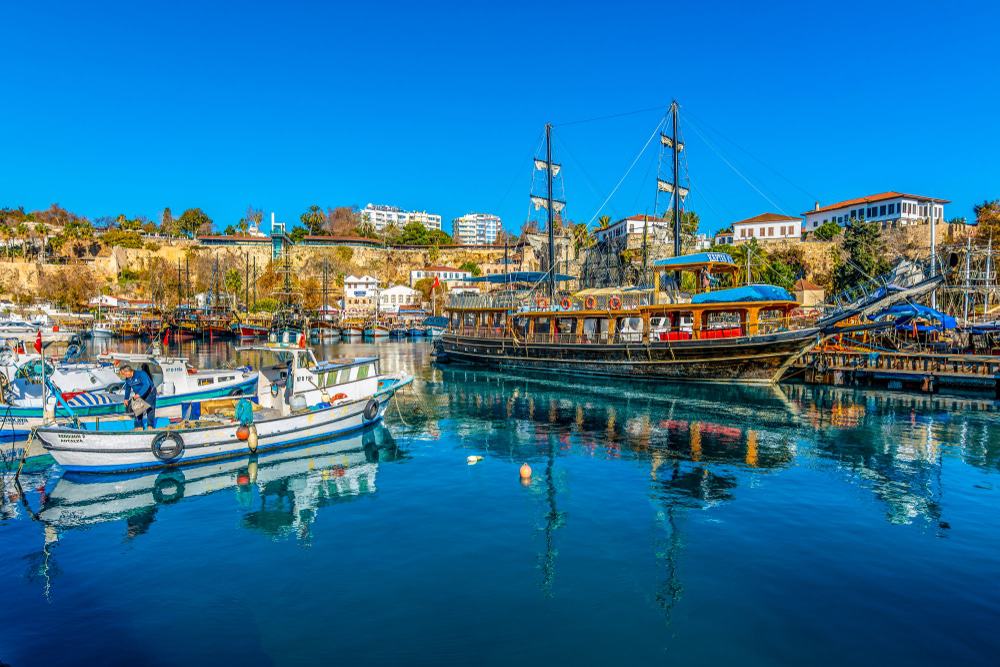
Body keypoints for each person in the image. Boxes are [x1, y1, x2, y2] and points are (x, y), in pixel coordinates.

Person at [119, 363, 157, 429]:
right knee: (138, 409)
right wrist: (126, 399)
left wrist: (139, 394)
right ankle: (139, 426)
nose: (123, 375)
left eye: (124, 373)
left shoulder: (141, 374)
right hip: (138, 394)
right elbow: (128, 388)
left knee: (150, 409)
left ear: (128, 371)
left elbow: (146, 385)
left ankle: (150, 425)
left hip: (149, 392)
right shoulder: (127, 379)